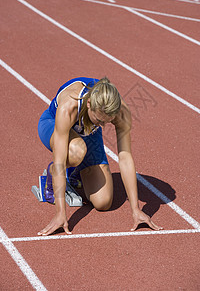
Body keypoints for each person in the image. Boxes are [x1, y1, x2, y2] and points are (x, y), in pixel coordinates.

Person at [37, 77, 162, 236]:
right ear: (89, 104)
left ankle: (76, 172)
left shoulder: (120, 111)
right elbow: (60, 162)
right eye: (99, 120)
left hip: (88, 133)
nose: (102, 125)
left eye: (106, 122)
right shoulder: (68, 107)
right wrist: (60, 213)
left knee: (103, 202)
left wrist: (135, 209)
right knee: (75, 152)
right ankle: (51, 176)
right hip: (52, 125)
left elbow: (125, 158)